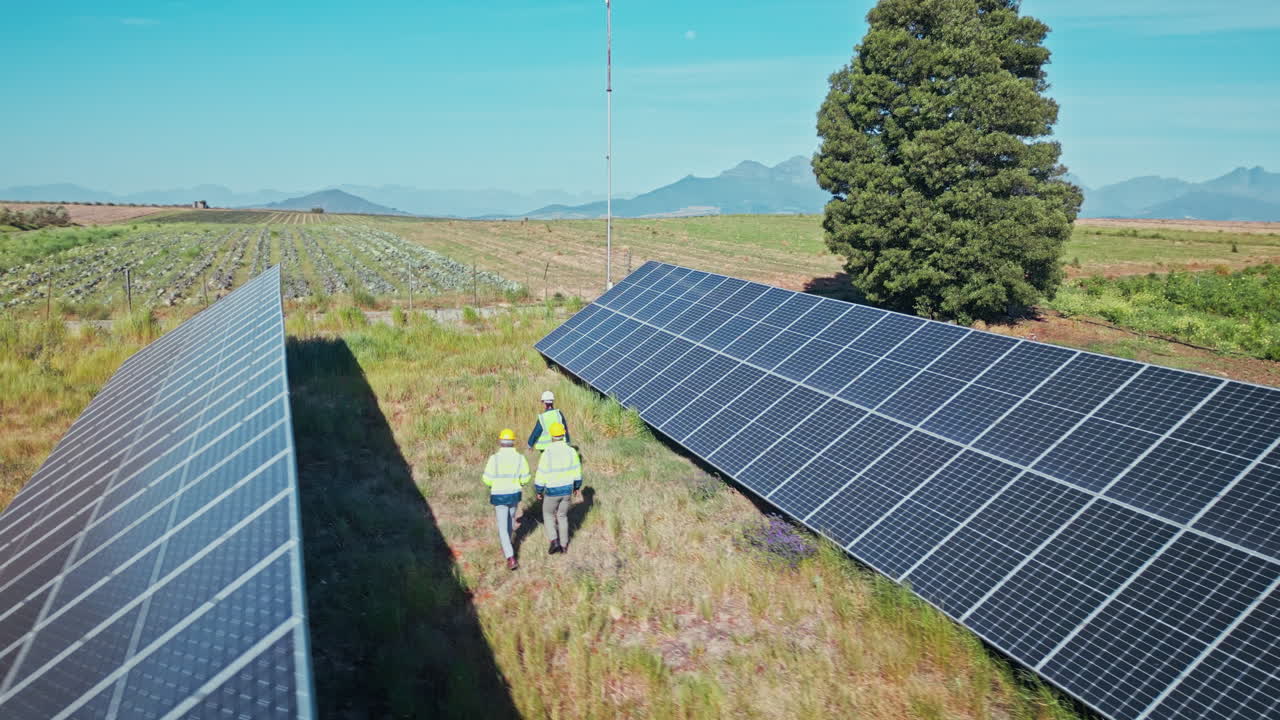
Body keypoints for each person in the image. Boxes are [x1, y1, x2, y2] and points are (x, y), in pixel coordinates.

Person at [482, 428, 531, 570]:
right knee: (510, 521)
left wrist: (493, 484)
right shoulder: (520, 458)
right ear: (513, 442)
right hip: (514, 494)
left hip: (499, 495)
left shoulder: (494, 459)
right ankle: (508, 546)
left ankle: (510, 557)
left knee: (503, 527)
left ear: (500, 441)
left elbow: (487, 479)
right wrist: (519, 483)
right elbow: (526, 477)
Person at [534, 422, 582, 555]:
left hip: (552, 491)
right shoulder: (571, 451)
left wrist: (539, 490)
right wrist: (577, 487)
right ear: (563, 434)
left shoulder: (547, 453)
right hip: (567, 490)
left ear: (551, 435)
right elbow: (577, 471)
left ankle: (554, 541)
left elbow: (541, 474)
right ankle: (564, 546)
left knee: (548, 514)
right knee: (562, 516)